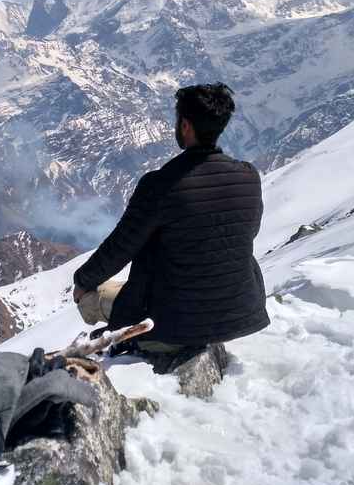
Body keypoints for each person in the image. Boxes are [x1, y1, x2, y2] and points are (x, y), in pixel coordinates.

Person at [72, 83, 269, 356]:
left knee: (92, 296)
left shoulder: (160, 185)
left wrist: (82, 281)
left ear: (185, 126)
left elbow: (120, 247)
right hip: (243, 313)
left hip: (176, 323)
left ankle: (142, 339)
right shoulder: (249, 177)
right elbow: (249, 231)